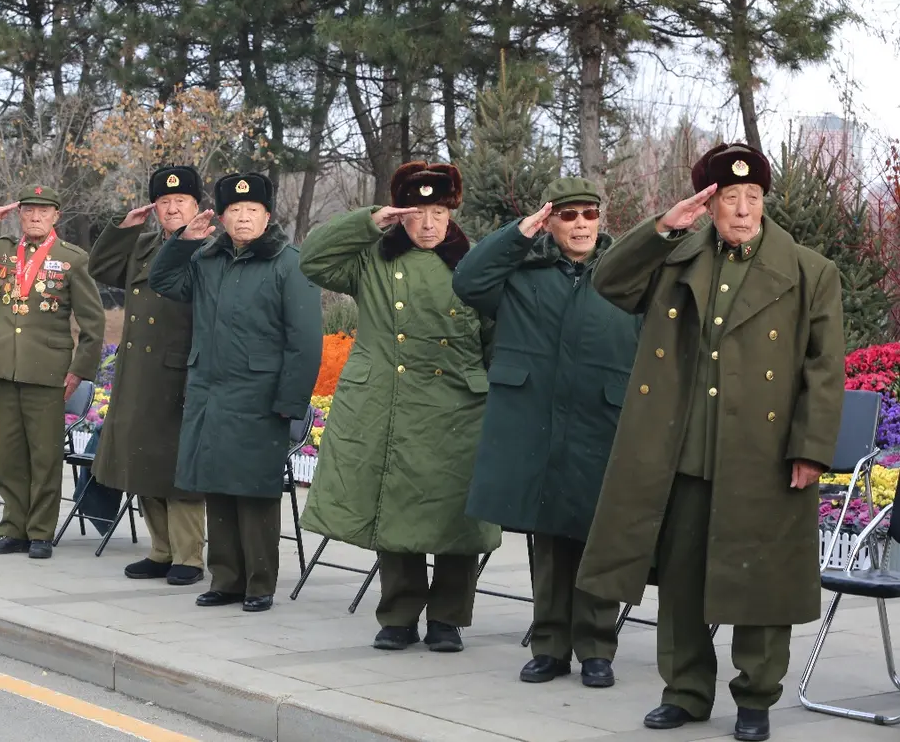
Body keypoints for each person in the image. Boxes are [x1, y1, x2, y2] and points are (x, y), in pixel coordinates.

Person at [574, 143, 845, 742]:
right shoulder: (676, 258)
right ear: (709, 204)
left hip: (765, 455)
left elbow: (825, 369)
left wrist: (811, 448)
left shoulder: (810, 271)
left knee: (762, 581)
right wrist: (662, 229)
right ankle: (685, 691)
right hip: (685, 451)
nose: (743, 210)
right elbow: (609, 282)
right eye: (730, 198)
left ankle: (756, 698)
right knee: (681, 581)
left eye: (753, 197)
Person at [298, 161, 500, 652]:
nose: (428, 225)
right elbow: (313, 261)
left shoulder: (475, 262)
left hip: (458, 406)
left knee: (457, 517)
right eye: (416, 214)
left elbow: (496, 337)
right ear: (400, 216)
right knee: (393, 506)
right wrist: (368, 221)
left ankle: (448, 618)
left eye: (438, 213)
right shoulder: (375, 258)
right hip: (389, 400)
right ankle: (399, 615)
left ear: (451, 214)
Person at [453, 177, 639, 685]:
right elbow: (468, 280)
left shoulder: (624, 274)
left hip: (603, 420)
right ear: (550, 222)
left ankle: (596, 650)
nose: (580, 225)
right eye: (568, 215)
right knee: (551, 539)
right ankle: (550, 646)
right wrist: (519, 232)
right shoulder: (523, 273)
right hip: (539, 422)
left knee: (598, 537)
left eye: (589, 215)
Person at [148, 172, 322, 613]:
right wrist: (183, 241)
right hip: (209, 391)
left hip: (260, 397)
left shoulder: (288, 263)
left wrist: (289, 402)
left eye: (252, 210)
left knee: (255, 492)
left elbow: (304, 341)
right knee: (217, 486)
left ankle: (259, 583)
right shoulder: (207, 258)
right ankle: (226, 580)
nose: (243, 218)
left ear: (267, 215)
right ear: (222, 217)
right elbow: (163, 281)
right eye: (235, 210)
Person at [0, 185, 106, 559]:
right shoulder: (1, 251)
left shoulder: (72, 259)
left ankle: (40, 533)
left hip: (47, 372)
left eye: (43, 211)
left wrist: (79, 370)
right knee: (9, 455)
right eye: (29, 210)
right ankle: (12, 528)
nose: (35, 217)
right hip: (5, 367)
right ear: (19, 215)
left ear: (55, 216)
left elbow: (93, 322)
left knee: (44, 457)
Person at [88, 166, 206, 586]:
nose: (172, 209)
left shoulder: (208, 247)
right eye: (164, 202)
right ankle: (161, 550)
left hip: (180, 372)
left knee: (177, 469)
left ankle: (189, 557)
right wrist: (124, 229)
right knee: (143, 462)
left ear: (197, 206)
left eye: (180, 201)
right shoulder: (144, 244)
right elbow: (101, 267)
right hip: (139, 373)